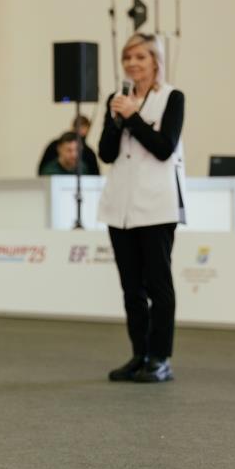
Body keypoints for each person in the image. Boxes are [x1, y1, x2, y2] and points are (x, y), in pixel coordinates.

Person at [97, 32, 186, 384]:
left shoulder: (171, 97)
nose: (132, 64)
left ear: (155, 61)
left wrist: (133, 117)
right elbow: (106, 153)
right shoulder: (116, 99)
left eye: (140, 57)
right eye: (127, 58)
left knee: (158, 286)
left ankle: (161, 357)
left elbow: (165, 147)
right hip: (119, 206)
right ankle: (140, 353)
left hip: (156, 205)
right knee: (131, 287)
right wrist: (117, 120)